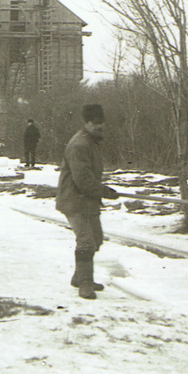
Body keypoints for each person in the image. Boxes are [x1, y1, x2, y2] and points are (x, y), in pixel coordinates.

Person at [55, 104, 120, 299]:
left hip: (88, 200)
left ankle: (78, 276)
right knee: (86, 242)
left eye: (102, 122)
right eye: (95, 122)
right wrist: (105, 192)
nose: (99, 126)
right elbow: (83, 179)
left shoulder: (91, 142)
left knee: (96, 239)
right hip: (74, 200)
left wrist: (102, 191)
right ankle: (85, 284)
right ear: (86, 122)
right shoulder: (79, 144)